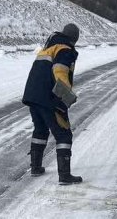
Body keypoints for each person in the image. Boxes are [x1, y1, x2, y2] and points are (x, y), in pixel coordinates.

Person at [22, 23, 83, 184]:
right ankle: (64, 175)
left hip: (33, 95)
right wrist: (66, 95)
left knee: (41, 129)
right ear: (74, 38)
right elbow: (60, 71)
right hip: (50, 96)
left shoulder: (47, 48)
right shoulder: (65, 49)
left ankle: (36, 167)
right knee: (63, 133)